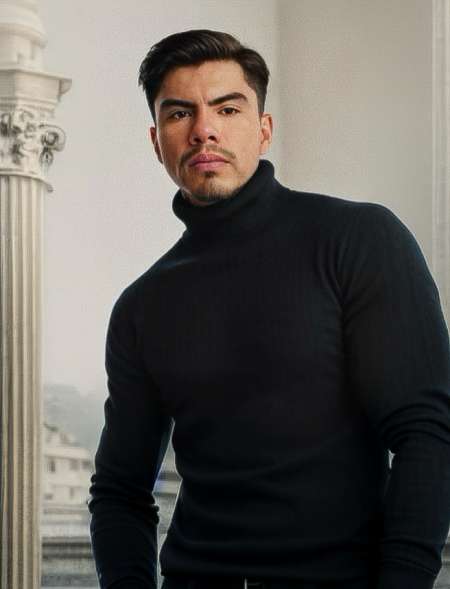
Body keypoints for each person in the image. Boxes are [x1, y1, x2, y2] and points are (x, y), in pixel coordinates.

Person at [87, 29, 450, 589]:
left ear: (263, 128)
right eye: (180, 113)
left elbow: (427, 433)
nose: (204, 129)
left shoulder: (358, 240)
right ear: (158, 141)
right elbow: (119, 490)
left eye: (227, 108)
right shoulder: (142, 305)